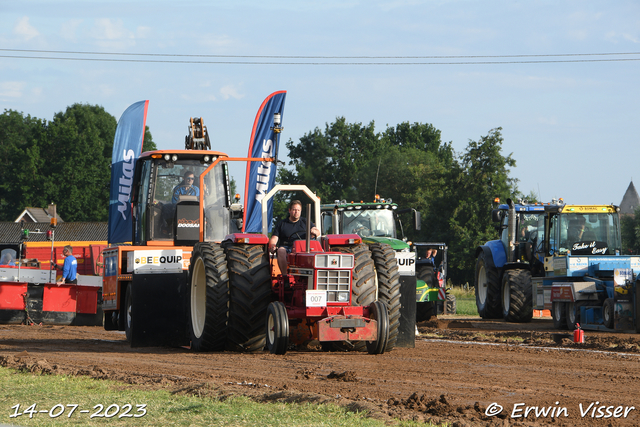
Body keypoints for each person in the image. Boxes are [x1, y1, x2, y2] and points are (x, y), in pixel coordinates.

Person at [269, 200, 320, 276]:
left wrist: (314, 231)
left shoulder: (306, 222)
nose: (296, 212)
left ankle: (312, 275)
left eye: (298, 210)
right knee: (280, 250)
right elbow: (274, 238)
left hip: (302, 248)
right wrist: (272, 245)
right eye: (294, 210)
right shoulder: (282, 224)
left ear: (301, 211)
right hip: (287, 247)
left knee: (314, 252)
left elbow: (317, 232)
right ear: (289, 210)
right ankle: (285, 275)